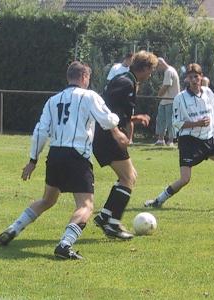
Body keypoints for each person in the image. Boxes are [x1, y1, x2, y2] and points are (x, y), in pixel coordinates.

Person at [0, 61, 128, 260]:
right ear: (84, 77)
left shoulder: (53, 100)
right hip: (77, 157)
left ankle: (13, 229)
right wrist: (117, 130)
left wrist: (33, 160)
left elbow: (40, 131)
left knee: (47, 200)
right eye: (88, 78)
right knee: (86, 206)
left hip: (55, 155)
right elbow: (107, 120)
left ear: (68, 77)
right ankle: (65, 245)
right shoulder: (89, 96)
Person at [145, 63, 214, 210]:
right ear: (187, 79)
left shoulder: (207, 92)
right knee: (185, 179)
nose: (194, 80)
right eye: (190, 77)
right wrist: (197, 123)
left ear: (201, 77)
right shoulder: (180, 98)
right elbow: (176, 124)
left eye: (196, 76)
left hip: (209, 140)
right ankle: (157, 201)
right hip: (190, 142)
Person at [93, 50, 159, 240]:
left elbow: (115, 108)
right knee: (128, 177)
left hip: (106, 134)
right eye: (151, 70)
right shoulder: (126, 82)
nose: (150, 75)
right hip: (107, 135)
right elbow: (103, 106)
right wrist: (118, 133)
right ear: (145, 67)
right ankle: (112, 224)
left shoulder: (126, 80)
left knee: (129, 176)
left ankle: (106, 216)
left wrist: (133, 119)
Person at [106, 53, 135, 144]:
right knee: (115, 117)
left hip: (128, 98)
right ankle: (114, 137)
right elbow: (109, 81)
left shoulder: (131, 70)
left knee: (129, 119)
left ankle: (129, 139)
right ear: (126, 59)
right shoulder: (116, 68)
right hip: (116, 98)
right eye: (131, 60)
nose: (131, 62)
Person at [154, 58, 180, 147]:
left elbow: (166, 85)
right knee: (161, 120)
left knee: (170, 121)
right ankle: (160, 140)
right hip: (164, 101)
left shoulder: (169, 71)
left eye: (157, 66)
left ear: (160, 64)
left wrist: (158, 95)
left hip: (171, 100)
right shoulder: (169, 70)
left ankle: (171, 141)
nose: (157, 69)